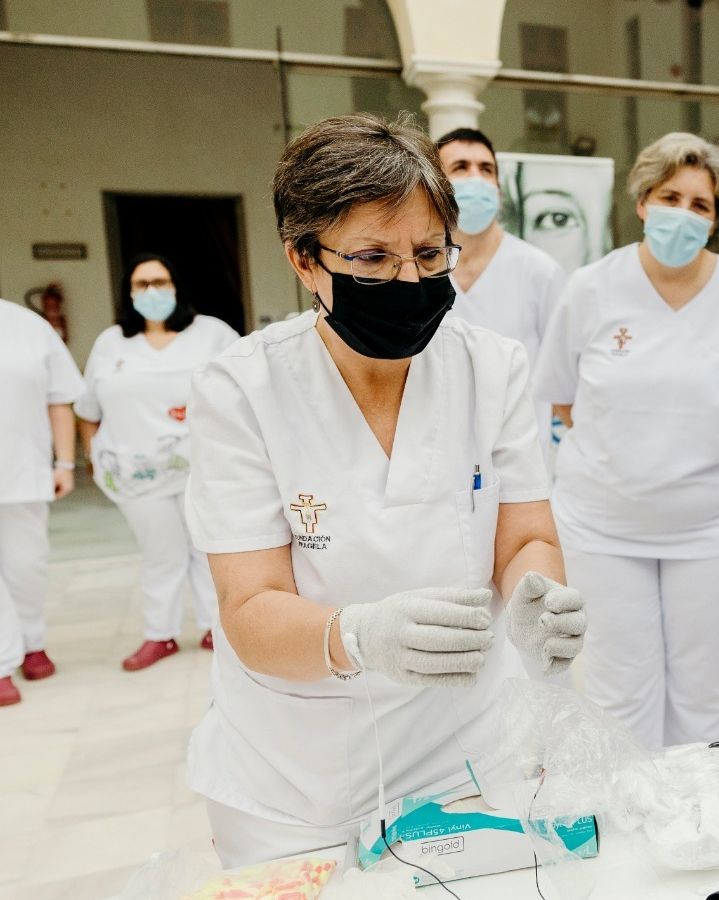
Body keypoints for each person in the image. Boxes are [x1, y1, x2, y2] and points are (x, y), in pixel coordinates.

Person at [183, 113, 587, 865]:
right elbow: (249, 607)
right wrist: (357, 636)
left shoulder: (489, 366)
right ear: (304, 259)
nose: (408, 280)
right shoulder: (243, 389)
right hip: (300, 776)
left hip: (467, 751)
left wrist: (539, 593)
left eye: (429, 253)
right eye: (373, 257)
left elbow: (525, 535)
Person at [530, 131, 719, 750]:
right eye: (670, 197)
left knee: (701, 693)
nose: (683, 213)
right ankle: (633, 806)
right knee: (620, 690)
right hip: (605, 527)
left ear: (717, 219)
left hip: (717, 530)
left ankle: (694, 808)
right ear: (643, 202)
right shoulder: (590, 288)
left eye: (700, 204)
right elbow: (562, 397)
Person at [76, 254, 240, 671]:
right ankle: (159, 634)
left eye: (160, 282)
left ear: (176, 286)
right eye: (142, 284)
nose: (152, 291)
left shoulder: (211, 333)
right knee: (160, 553)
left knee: (208, 549)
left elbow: (243, 393)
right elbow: (88, 409)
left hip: (202, 468)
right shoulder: (111, 342)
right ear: (129, 293)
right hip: (135, 475)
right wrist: (93, 456)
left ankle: (216, 627)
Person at [436, 128, 568, 467]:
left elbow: (565, 377)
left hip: (521, 461)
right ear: (436, 184)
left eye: (486, 169)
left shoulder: (539, 271)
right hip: (439, 457)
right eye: (460, 167)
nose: (476, 178)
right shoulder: (419, 270)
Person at [0, 299, 82, 706]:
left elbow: (59, 399)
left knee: (26, 565)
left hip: (22, 469)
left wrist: (64, 462)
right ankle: (3, 663)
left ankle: (33, 641)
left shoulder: (28, 326)